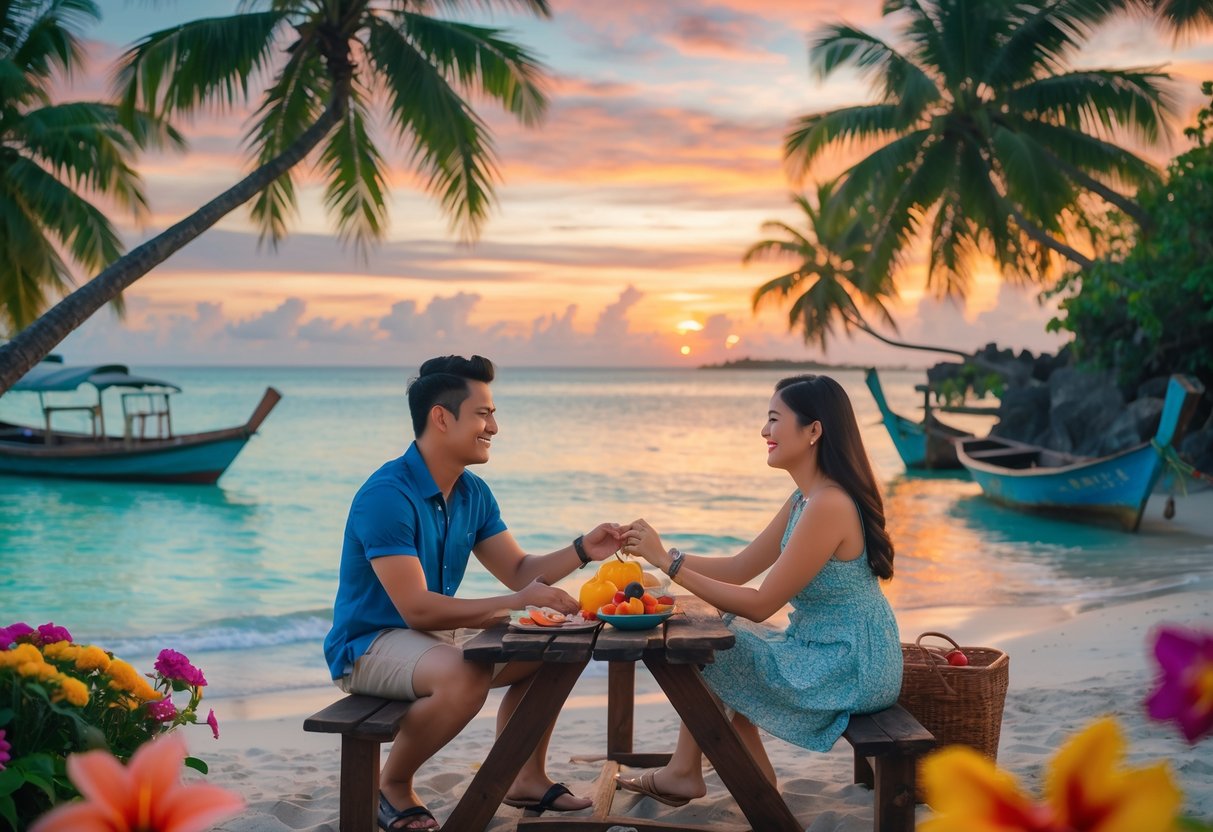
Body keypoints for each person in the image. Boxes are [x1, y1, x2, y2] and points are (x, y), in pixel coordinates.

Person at [323, 355, 622, 831]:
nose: (494, 427)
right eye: (484, 414)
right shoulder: (387, 495)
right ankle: (392, 784)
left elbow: (521, 571)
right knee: (466, 677)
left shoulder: (472, 493)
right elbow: (417, 608)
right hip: (369, 644)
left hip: (431, 639)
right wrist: (517, 603)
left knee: (555, 648)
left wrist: (584, 548)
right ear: (442, 418)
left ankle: (524, 776)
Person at [615, 374, 902, 805]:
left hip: (853, 664)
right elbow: (739, 568)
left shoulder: (829, 504)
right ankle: (711, 774)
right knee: (714, 634)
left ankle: (703, 776)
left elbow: (762, 602)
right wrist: (660, 554)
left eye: (773, 419)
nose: (764, 431)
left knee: (713, 646)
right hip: (828, 648)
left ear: (813, 431)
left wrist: (667, 564)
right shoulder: (804, 499)